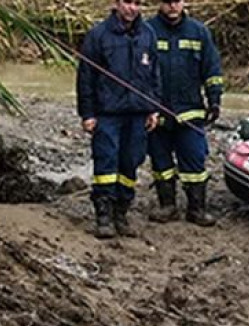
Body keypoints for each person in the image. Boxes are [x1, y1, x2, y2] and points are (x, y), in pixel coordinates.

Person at [76, 0, 161, 239]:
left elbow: (155, 75)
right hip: (107, 114)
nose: (132, 8)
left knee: (130, 163)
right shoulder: (98, 35)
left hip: (138, 113)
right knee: (106, 162)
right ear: (116, 3)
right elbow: (85, 77)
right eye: (127, 2)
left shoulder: (148, 34)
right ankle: (103, 216)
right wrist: (88, 114)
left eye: (137, 3)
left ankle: (121, 213)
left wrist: (153, 108)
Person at [146, 0, 223, 226]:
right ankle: (167, 205)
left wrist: (215, 100)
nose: (172, 6)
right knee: (161, 162)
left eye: (176, 1)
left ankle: (197, 209)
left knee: (195, 160)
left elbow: (212, 69)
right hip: (156, 112)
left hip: (190, 111)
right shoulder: (147, 31)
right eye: (167, 2)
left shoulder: (199, 32)